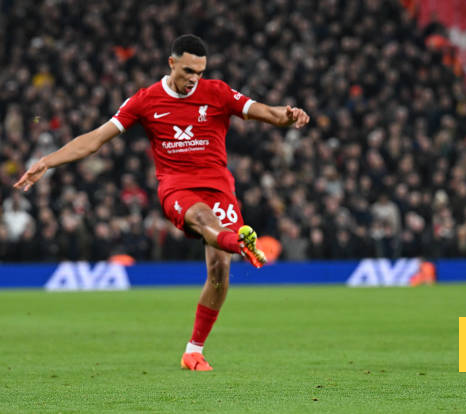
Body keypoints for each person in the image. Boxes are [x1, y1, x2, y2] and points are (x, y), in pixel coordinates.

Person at [14, 34, 310, 371]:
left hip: (219, 188)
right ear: (171, 63)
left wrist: (287, 116)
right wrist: (47, 161)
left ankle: (193, 351)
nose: (193, 78)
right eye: (187, 70)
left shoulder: (217, 92)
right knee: (203, 219)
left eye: (199, 71)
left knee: (219, 270)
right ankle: (237, 241)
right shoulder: (145, 101)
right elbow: (95, 140)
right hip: (177, 188)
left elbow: (264, 112)